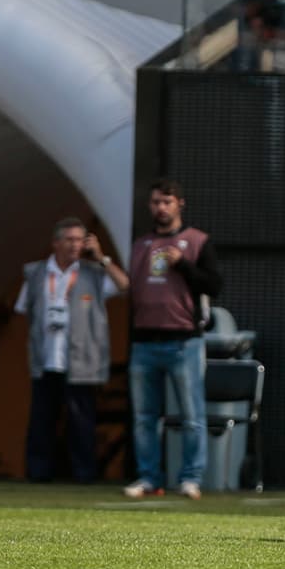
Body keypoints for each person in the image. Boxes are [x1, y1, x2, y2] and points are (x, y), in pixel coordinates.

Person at [124, 178, 222, 500]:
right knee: (144, 418)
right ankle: (149, 478)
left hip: (184, 342)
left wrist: (184, 266)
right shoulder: (140, 245)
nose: (160, 208)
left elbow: (213, 285)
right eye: (155, 202)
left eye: (167, 201)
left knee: (192, 415)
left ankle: (191, 478)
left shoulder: (197, 242)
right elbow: (130, 288)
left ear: (180, 204)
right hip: (144, 342)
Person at [14, 218, 129, 483]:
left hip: (81, 360)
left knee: (82, 421)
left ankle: (84, 474)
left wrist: (102, 258)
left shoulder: (94, 273)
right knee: (42, 420)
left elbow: (125, 286)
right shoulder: (36, 273)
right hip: (46, 358)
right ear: (56, 242)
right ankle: (39, 473)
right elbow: (24, 310)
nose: (75, 245)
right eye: (70, 239)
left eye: (80, 239)